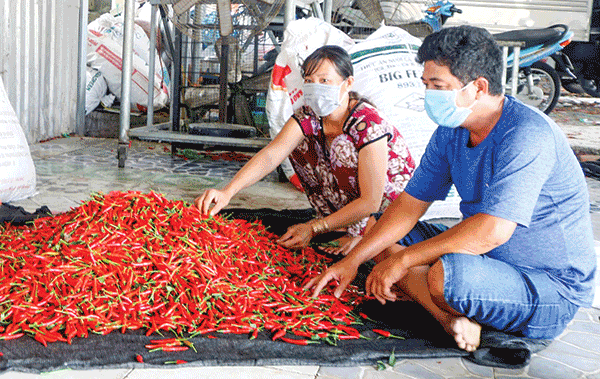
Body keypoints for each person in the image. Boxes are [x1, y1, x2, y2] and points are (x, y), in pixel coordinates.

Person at [305, 26, 597, 353]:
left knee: (440, 277)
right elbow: (409, 204)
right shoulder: (452, 131)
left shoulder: (527, 135)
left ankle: (439, 296)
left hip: (549, 286)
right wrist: (355, 261)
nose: (429, 95)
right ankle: (449, 320)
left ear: (479, 87)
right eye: (426, 85)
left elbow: (492, 231)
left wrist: (403, 263)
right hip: (487, 258)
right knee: (378, 231)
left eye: (438, 86)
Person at [195, 45, 415, 252]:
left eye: (324, 80)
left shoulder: (368, 124)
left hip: (384, 212)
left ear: (348, 83)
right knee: (299, 140)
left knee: (342, 147)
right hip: (344, 208)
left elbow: (371, 201)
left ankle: (363, 233)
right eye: (309, 81)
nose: (315, 87)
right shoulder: (309, 114)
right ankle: (338, 224)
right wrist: (228, 191)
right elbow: (272, 155)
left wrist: (313, 228)